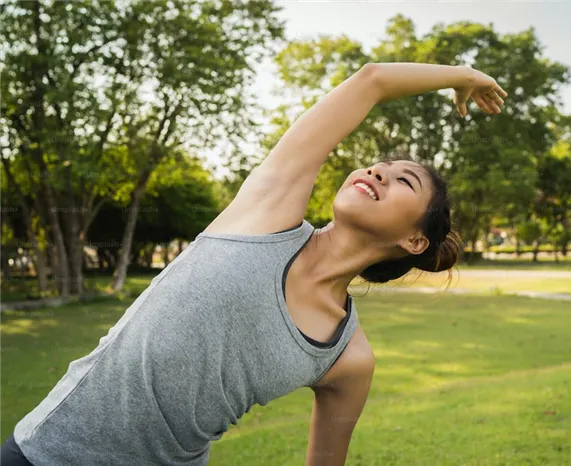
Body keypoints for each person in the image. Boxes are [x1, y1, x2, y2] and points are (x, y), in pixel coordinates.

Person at [0, 62, 506, 465]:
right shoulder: (270, 212)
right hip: (47, 454)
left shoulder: (348, 358)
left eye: (404, 181)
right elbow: (370, 81)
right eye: (382, 165)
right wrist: (461, 76)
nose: (378, 170)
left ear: (415, 240)